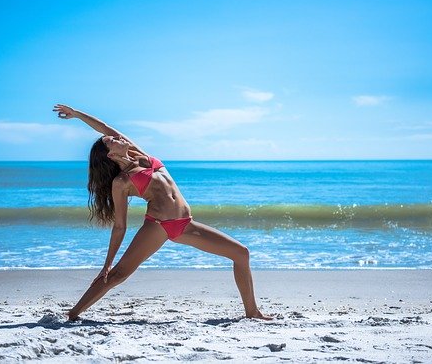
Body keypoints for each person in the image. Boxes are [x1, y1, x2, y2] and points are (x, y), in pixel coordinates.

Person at [53, 104, 271, 321]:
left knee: (241, 253)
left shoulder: (139, 155)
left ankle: (252, 311)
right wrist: (106, 263)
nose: (118, 138)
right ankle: (73, 314)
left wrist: (77, 114)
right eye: (112, 141)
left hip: (186, 224)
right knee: (117, 275)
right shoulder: (122, 182)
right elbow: (120, 226)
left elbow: (104, 127)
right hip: (158, 226)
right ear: (110, 155)